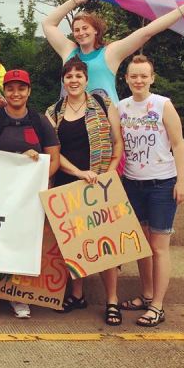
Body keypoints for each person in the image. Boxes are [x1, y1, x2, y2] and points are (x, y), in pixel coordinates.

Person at [0, 69, 60, 319]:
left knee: (23, 244)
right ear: (4, 91)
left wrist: (34, 175)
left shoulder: (39, 120)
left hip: (28, 198)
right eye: (10, 88)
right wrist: (19, 164)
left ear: (28, 91)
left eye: (21, 88)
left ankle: (16, 295)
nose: (16, 93)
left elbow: (53, 159)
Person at [45, 58, 124, 325]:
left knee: (107, 245)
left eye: (79, 75)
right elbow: (53, 151)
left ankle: (112, 300)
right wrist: (78, 173)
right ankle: (77, 295)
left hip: (100, 183)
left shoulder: (103, 105)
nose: (74, 80)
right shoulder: (53, 111)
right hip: (68, 183)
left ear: (86, 79)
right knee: (75, 244)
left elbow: (117, 141)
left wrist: (110, 171)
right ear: (63, 81)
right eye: (69, 76)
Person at [118, 55, 184, 327]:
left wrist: (181, 181)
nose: (138, 80)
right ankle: (146, 295)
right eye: (133, 76)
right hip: (132, 183)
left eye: (143, 76)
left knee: (159, 247)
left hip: (162, 183)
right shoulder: (121, 107)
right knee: (141, 245)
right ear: (126, 79)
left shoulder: (162, 105)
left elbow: (178, 145)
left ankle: (157, 306)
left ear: (152, 78)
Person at [42, 0, 184, 104]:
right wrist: (74, 1)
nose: (81, 33)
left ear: (95, 30)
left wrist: (183, 9)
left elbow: (146, 32)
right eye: (76, 30)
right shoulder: (68, 51)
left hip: (105, 125)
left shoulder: (110, 53)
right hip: (69, 123)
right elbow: (47, 24)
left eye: (85, 28)